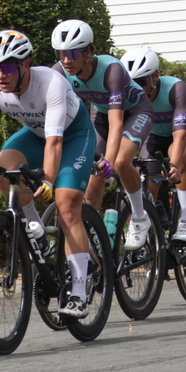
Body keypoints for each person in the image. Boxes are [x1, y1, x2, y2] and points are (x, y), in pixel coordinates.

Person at [0, 30, 97, 317]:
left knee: (66, 204)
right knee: (2, 169)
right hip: (36, 134)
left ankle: (80, 290)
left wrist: (46, 180)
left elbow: (55, 142)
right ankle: (36, 229)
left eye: (6, 68)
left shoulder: (50, 83)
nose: (0, 76)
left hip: (73, 135)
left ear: (26, 64)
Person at [51, 19, 155, 250]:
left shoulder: (111, 69)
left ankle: (139, 217)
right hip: (100, 114)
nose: (66, 60)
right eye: (61, 53)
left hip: (135, 112)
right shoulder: (59, 72)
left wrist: (108, 159)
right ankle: (94, 233)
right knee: (92, 181)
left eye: (73, 53)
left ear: (88, 51)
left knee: (119, 162)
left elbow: (116, 123)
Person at [120, 47, 186, 242]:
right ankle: (154, 233)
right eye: (131, 84)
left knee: (180, 156)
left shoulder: (175, 88)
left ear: (155, 76)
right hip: (156, 134)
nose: (136, 89)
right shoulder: (129, 97)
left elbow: (180, 135)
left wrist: (175, 165)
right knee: (146, 177)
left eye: (141, 82)